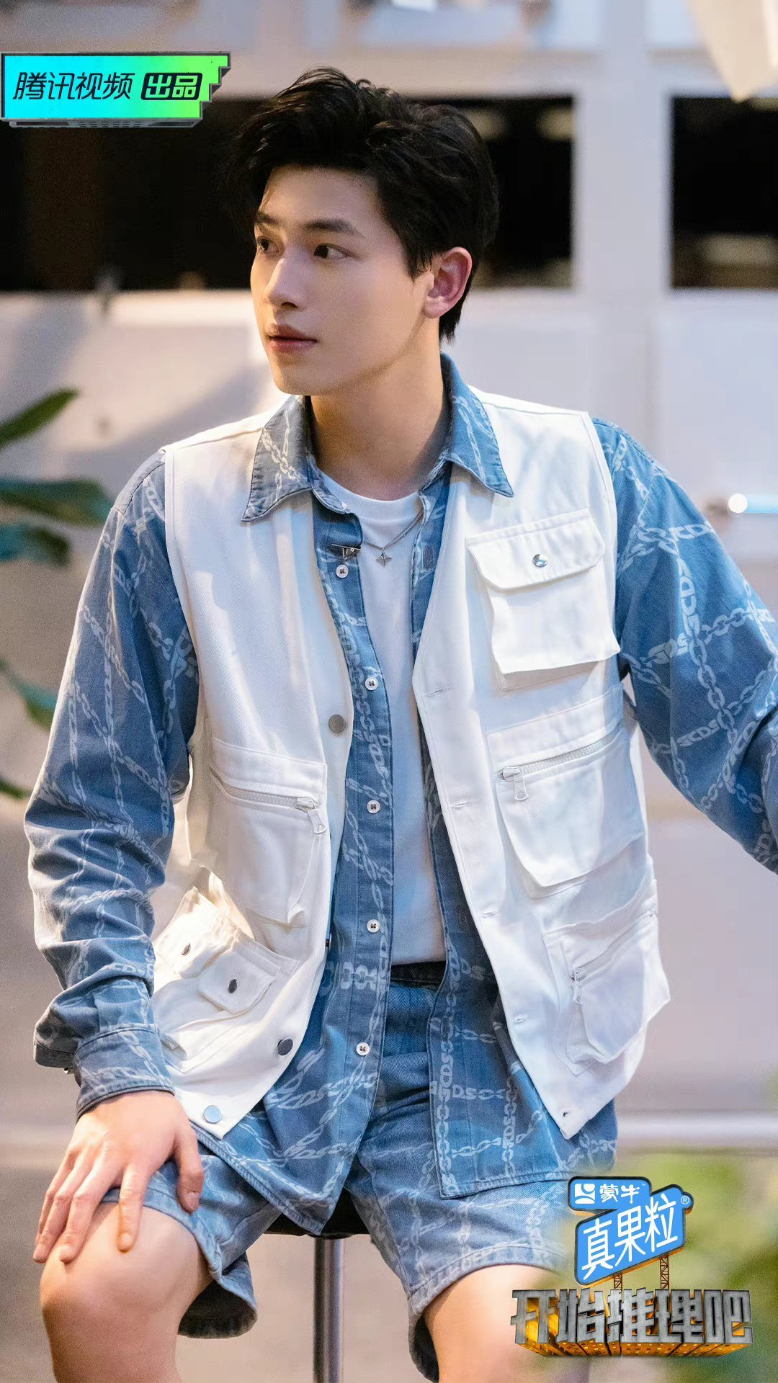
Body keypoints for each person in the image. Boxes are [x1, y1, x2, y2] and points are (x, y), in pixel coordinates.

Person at [25, 66, 778, 1383]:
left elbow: (749, 733)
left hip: (502, 1051)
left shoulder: (589, 482)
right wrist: (126, 1073)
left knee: (516, 1350)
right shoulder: (181, 507)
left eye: (328, 250)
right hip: (252, 1025)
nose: (280, 289)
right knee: (91, 1290)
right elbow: (93, 817)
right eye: (267, 245)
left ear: (440, 279)